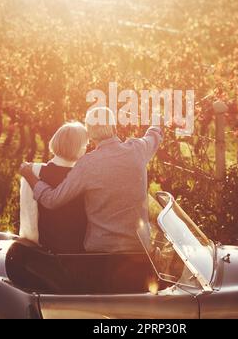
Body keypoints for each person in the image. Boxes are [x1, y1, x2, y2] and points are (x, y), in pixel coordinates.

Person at [20, 107, 163, 254]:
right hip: (140, 250)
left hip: (101, 254)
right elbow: (153, 136)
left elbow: (53, 200)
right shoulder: (138, 149)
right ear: (114, 127)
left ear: (89, 134)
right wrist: (156, 123)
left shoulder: (87, 164)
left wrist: (29, 174)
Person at [20, 122, 88, 254]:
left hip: (45, 248)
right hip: (79, 249)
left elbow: (29, 215)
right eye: (85, 145)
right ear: (78, 147)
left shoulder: (34, 170)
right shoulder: (85, 176)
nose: (86, 148)